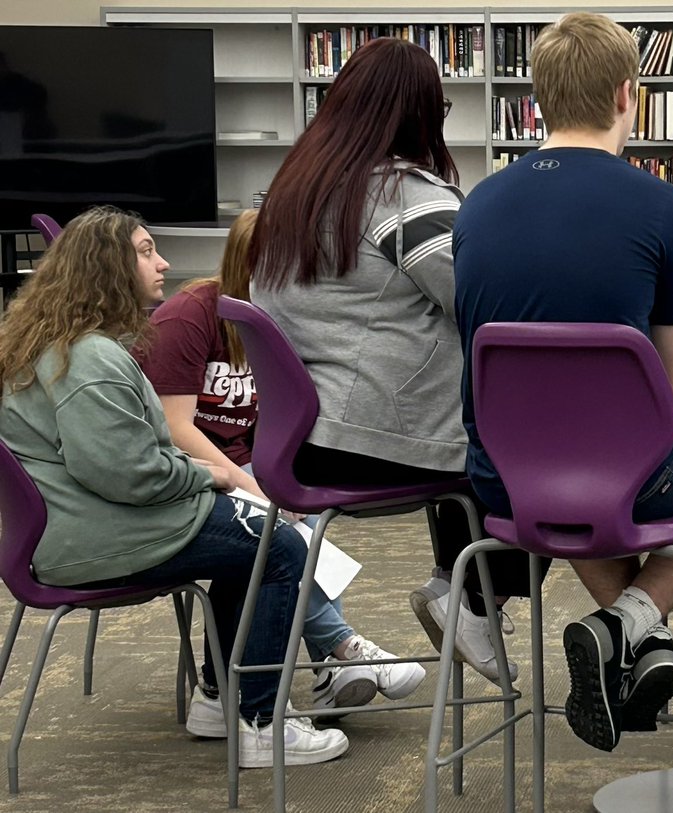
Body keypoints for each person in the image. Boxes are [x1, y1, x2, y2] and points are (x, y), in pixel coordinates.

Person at [453, 12, 673, 753]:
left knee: (571, 469)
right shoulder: (662, 207)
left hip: (502, 475)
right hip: (620, 469)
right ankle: (628, 623)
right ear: (631, 93)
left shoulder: (478, 206)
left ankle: (638, 642)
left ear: (536, 101)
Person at [0, 206, 348, 767]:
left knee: (252, 536)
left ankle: (218, 699)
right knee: (276, 546)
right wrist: (209, 475)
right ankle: (259, 722)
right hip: (98, 534)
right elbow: (128, 474)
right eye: (144, 251)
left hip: (73, 527)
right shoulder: (88, 357)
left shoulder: (53, 341)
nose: (162, 263)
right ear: (106, 268)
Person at [247, 36, 531, 685]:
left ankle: (453, 584)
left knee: (470, 408)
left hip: (301, 439)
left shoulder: (295, 190)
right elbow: (480, 293)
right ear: (420, 113)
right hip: (375, 436)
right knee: (530, 438)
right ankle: (471, 598)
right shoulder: (401, 192)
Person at [134, 209, 425, 716]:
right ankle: (342, 651)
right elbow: (174, 430)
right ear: (253, 267)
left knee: (295, 504)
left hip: (242, 464)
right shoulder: (190, 316)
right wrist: (248, 486)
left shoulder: (276, 318)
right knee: (277, 526)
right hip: (188, 471)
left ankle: (333, 666)